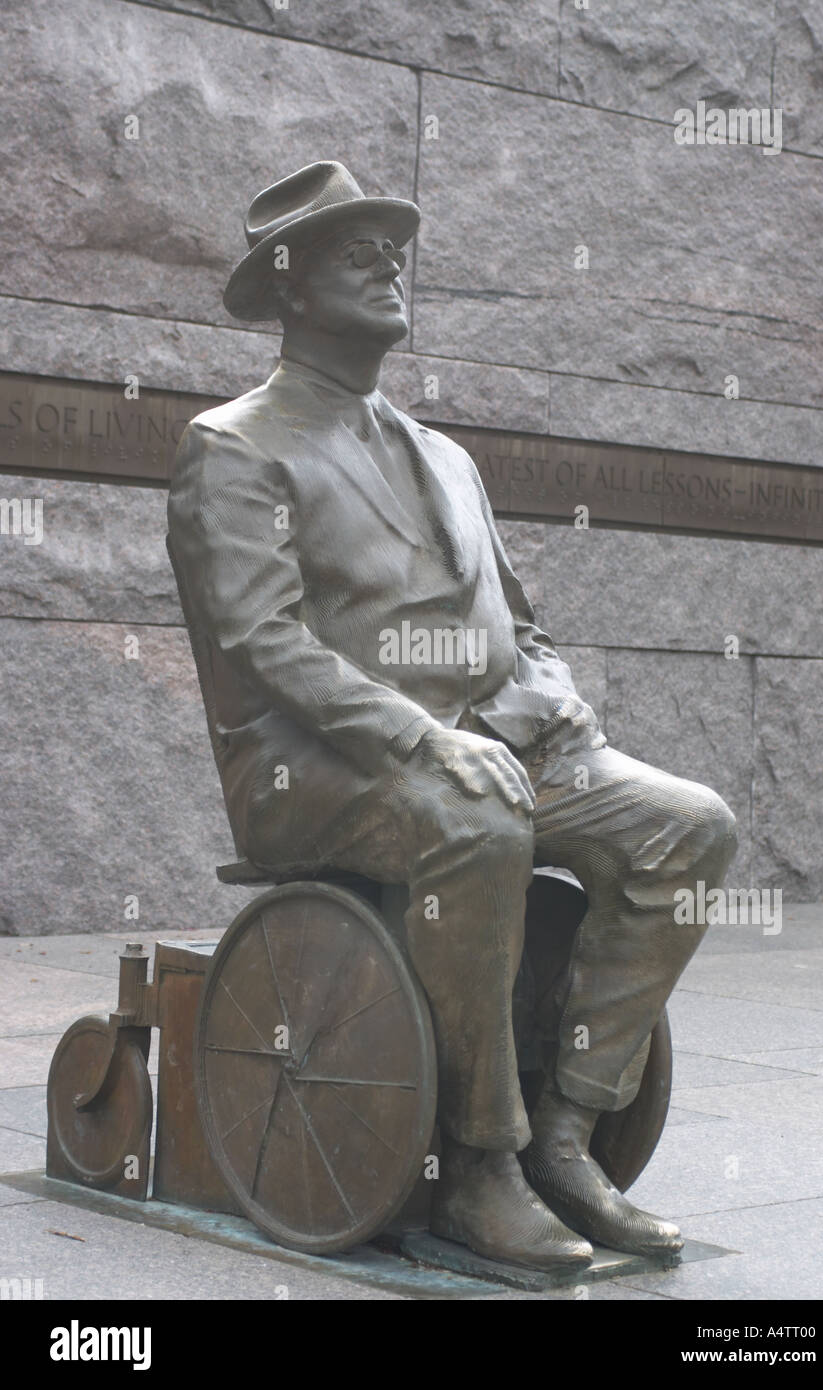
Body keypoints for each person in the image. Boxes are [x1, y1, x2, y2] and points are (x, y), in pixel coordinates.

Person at [168, 161, 737, 1272]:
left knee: (690, 824)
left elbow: (517, 626)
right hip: (317, 769)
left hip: (496, 750)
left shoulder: (446, 455)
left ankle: (567, 1138)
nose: (387, 264)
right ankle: (479, 1165)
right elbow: (260, 641)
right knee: (474, 824)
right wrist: (427, 738)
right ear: (287, 288)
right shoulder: (234, 445)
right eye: (352, 250)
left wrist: (554, 707)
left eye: (392, 247)